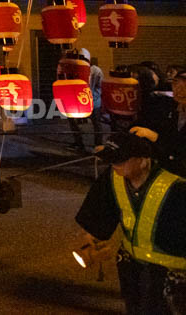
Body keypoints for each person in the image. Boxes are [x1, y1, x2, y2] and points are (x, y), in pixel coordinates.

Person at [75, 129, 186, 314]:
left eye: (121, 160)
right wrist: (91, 241)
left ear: (143, 161)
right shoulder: (113, 177)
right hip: (131, 269)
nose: (114, 165)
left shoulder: (177, 186)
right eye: (111, 159)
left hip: (173, 276)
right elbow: (99, 212)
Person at [139, 68, 186, 178]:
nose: (179, 91)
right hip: (168, 171)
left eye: (185, 87)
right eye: (176, 85)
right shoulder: (169, 108)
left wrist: (155, 137)